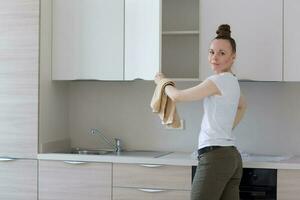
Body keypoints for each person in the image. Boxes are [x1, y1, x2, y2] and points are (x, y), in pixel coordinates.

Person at [154, 24, 247, 200]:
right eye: (211, 52)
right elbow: (243, 105)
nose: (214, 57)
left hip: (215, 158)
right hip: (231, 156)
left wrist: (161, 81)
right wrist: (225, 129)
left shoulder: (216, 81)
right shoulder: (233, 82)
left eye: (222, 53)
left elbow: (178, 96)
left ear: (233, 57)